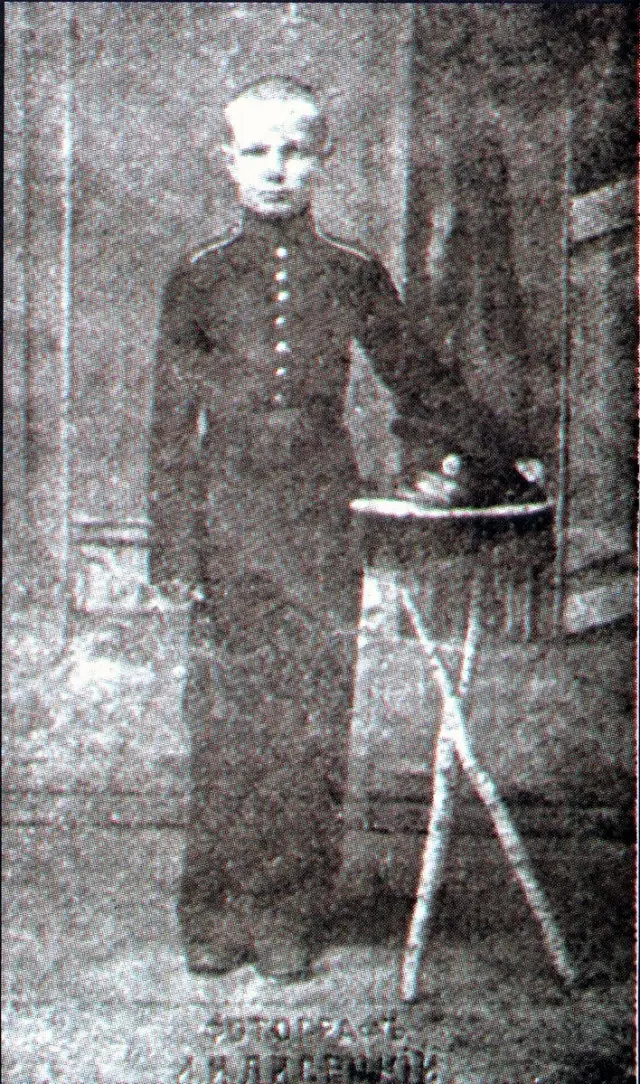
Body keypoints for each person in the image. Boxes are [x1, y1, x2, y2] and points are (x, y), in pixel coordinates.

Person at [148, 77, 543, 980]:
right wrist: (174, 546)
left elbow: (420, 379)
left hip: (322, 517)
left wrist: (493, 456)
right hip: (226, 518)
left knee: (315, 714)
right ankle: (214, 907)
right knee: (224, 716)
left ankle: (291, 908)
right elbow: (170, 428)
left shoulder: (351, 268)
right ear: (225, 161)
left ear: (322, 160)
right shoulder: (199, 276)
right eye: (256, 151)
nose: (275, 169)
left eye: (295, 151)